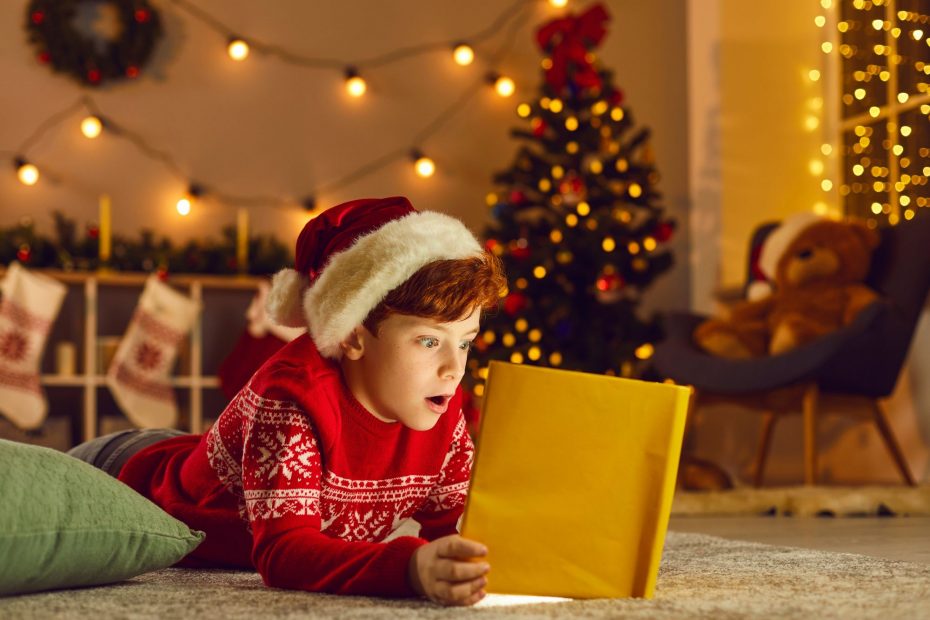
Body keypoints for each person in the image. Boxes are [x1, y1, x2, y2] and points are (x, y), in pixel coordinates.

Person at [68, 196, 506, 606]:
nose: (454, 368)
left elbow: (458, 529)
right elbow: (283, 552)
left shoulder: (441, 404)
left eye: (465, 343)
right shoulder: (293, 397)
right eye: (429, 341)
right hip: (127, 477)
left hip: (193, 456)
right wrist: (407, 567)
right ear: (353, 334)